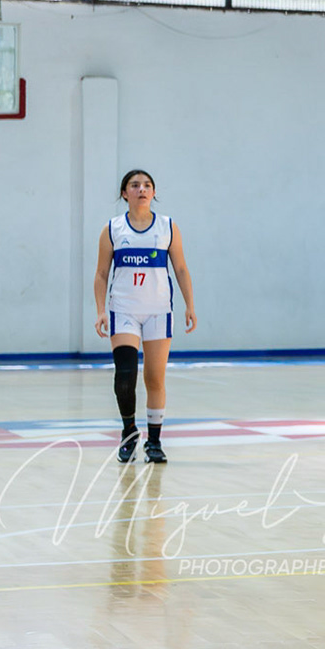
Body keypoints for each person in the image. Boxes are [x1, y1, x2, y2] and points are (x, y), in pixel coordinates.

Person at [93, 169, 197, 464]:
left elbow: (180, 269)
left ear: (153, 193)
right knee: (125, 376)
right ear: (124, 193)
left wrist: (190, 305)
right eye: (135, 185)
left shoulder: (168, 227)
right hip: (123, 309)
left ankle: (154, 441)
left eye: (147, 185)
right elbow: (101, 274)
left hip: (158, 310)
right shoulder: (112, 229)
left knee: (154, 378)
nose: (142, 189)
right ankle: (129, 433)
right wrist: (101, 310)